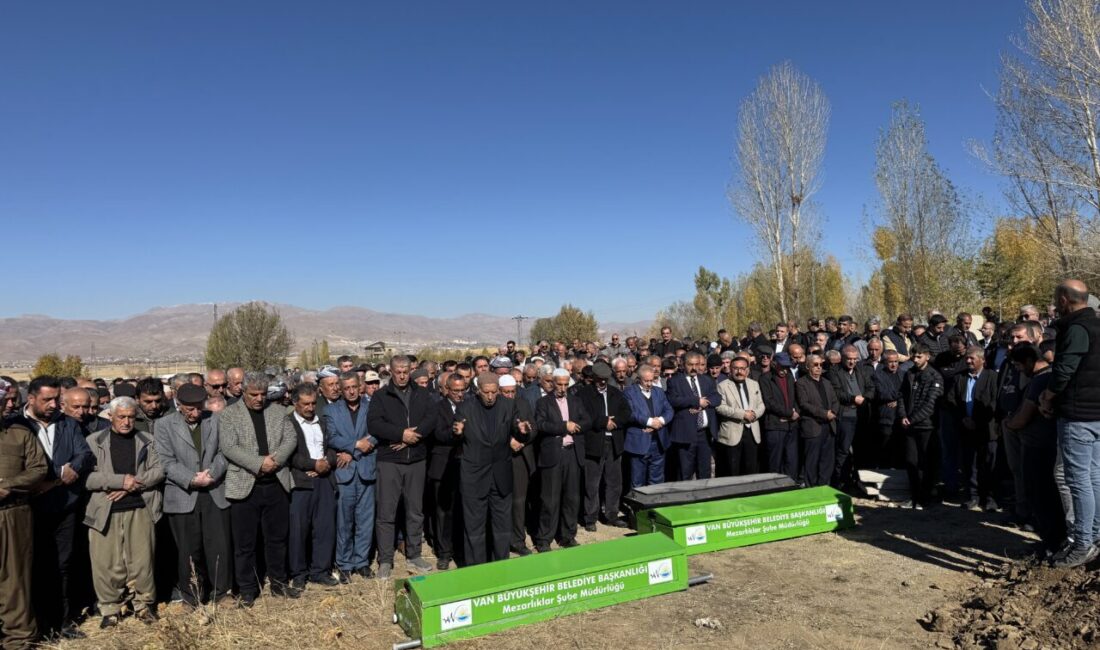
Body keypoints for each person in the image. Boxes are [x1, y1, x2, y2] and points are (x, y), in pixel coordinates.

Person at [15, 376, 93, 640]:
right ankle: (37, 623)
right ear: (31, 398)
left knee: (63, 564)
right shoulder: (17, 425)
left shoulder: (68, 424)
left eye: (55, 399)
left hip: (64, 506)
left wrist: (61, 478)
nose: (52, 405)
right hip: (29, 507)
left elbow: (83, 454)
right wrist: (57, 475)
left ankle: (63, 621)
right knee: (33, 565)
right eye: (46, 400)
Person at [218, 372, 299, 605]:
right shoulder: (229, 415)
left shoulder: (277, 411)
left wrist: (276, 461)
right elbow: (229, 447)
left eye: (263, 394)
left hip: (276, 484)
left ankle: (279, 584)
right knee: (245, 544)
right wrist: (259, 463)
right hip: (245, 486)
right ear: (243, 392)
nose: (259, 399)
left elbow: (290, 438)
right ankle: (247, 590)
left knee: (277, 539)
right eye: (254, 394)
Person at [84, 397, 164, 628]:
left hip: (140, 507)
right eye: (122, 417)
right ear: (110, 416)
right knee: (106, 562)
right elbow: (86, 478)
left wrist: (133, 484)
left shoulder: (147, 440)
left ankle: (143, 605)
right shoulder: (94, 441)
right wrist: (119, 481)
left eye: (131, 417)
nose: (127, 422)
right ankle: (110, 608)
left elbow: (159, 470)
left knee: (142, 561)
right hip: (104, 510)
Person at [154, 383, 232, 607]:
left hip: (213, 491)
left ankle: (221, 593)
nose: (196, 413)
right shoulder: (164, 425)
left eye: (199, 407)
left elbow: (223, 452)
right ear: (178, 405)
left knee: (218, 546)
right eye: (190, 409)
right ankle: (192, 596)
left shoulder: (215, 420)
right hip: (182, 494)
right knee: (188, 549)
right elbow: (165, 460)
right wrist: (190, 478)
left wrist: (212, 474)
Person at [1039, 280, 1100, 567]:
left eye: (1056, 299)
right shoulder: (1096, 325)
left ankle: (1083, 544)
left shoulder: (1076, 328)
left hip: (1078, 415)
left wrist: (1048, 397)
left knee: (1078, 481)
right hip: (1096, 414)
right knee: (1094, 477)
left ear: (1064, 299)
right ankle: (1095, 537)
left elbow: (1064, 370)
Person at [367, 355, 438, 579]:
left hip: (416, 459)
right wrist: (400, 434)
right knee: (386, 512)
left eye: (405, 371)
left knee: (415, 511)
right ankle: (386, 560)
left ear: (411, 370)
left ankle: (414, 554)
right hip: (390, 461)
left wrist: (411, 437)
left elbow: (431, 418)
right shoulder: (380, 396)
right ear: (390, 370)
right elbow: (375, 424)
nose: (401, 375)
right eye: (397, 371)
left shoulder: (423, 393)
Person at [449, 373, 531, 565]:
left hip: (501, 476)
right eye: (486, 392)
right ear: (478, 391)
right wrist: (457, 433)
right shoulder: (465, 407)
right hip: (474, 477)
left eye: (494, 392)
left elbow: (517, 428)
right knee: (474, 528)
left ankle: (500, 567)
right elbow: (454, 437)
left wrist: (522, 432)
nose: (490, 396)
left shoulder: (508, 406)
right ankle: (475, 570)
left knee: (502, 528)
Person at [1005, 344, 1066, 557]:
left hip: (1039, 446)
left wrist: (1010, 424)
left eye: (1020, 366)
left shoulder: (1040, 379)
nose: (1020, 370)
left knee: (1041, 496)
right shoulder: (1049, 376)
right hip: (1046, 445)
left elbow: (1024, 416)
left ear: (1030, 361)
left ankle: (1052, 542)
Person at [0, 389, 47, 650]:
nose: (8, 404)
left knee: (14, 579)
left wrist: (8, 486)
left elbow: (38, 468)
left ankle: (18, 639)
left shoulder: (20, 433)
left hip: (12, 514)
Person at [323, 372, 377, 581]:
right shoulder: (330, 411)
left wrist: (359, 447)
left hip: (366, 469)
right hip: (345, 472)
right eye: (346, 388)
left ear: (360, 385)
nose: (351, 391)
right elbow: (332, 437)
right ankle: (344, 563)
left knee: (365, 519)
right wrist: (355, 445)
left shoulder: (371, 406)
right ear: (341, 390)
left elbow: (377, 431)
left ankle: (361, 562)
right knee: (344, 520)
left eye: (354, 386)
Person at [533, 368, 591, 552]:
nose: (562, 388)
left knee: (571, 498)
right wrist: (563, 426)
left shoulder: (576, 400)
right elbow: (540, 425)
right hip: (553, 455)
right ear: (552, 383)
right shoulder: (543, 402)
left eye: (566, 384)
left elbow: (587, 421)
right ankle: (544, 539)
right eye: (559, 384)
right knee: (549, 499)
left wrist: (576, 427)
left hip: (572, 454)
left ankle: (568, 536)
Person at [287, 383, 339, 588]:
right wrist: (312, 464)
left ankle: (320, 570)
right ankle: (299, 573)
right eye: (305, 404)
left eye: (313, 403)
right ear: (294, 403)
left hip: (324, 480)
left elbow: (333, 447)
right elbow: (289, 454)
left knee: (325, 527)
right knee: (299, 530)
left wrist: (327, 462)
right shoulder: (288, 423)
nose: (310, 408)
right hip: (301, 483)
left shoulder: (322, 422)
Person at [578, 362, 631, 529]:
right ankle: (590, 518)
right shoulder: (583, 394)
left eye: (605, 380)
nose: (602, 383)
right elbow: (583, 416)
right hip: (594, 443)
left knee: (614, 481)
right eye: (599, 379)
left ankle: (612, 514)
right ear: (593, 378)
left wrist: (613, 422)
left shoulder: (616, 393)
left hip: (614, 442)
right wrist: (603, 422)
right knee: (592, 483)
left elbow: (626, 413)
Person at [946, 347, 999, 512]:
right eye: (967, 359)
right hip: (966, 428)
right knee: (970, 464)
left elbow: (994, 402)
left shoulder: (992, 377)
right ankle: (973, 496)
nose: (968, 361)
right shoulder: (959, 378)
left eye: (972, 358)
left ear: (982, 360)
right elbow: (951, 400)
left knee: (989, 463)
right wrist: (964, 418)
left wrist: (978, 421)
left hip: (987, 429)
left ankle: (990, 498)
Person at [897, 344, 943, 510]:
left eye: (919, 357)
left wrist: (912, 419)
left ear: (927, 356)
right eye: (913, 356)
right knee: (911, 462)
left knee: (927, 463)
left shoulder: (934, 377)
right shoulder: (909, 374)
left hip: (926, 427)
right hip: (909, 426)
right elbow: (901, 395)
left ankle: (926, 497)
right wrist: (903, 416)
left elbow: (930, 404)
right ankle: (914, 496)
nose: (915, 360)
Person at [428, 374, 465, 568]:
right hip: (443, 465)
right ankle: (444, 552)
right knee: (443, 512)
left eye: (462, 390)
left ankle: (460, 548)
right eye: (455, 391)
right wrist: (455, 432)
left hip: (466, 465)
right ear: (446, 390)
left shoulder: (470, 405)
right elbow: (438, 434)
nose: (460, 394)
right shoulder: (436, 408)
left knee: (461, 510)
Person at [498, 374, 537, 555]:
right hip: (499, 459)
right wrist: (508, 442)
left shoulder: (523, 403)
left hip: (520, 458)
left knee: (519, 502)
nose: (510, 395)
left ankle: (518, 541)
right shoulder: (493, 406)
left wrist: (523, 440)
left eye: (513, 392)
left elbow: (533, 428)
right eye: (506, 392)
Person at [666, 351, 721, 481]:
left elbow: (717, 398)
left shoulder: (706, 380)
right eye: (690, 364)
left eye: (697, 364)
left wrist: (703, 404)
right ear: (682, 364)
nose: (694, 368)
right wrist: (696, 401)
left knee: (704, 471)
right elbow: (673, 400)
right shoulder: (674, 381)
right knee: (685, 472)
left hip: (704, 434)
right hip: (685, 434)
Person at [828, 345, 873, 494]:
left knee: (861, 451)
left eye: (855, 359)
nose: (852, 362)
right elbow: (837, 392)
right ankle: (840, 482)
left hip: (861, 415)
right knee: (843, 451)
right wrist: (853, 398)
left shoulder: (862, 370)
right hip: (845, 415)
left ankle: (859, 482)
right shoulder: (835, 371)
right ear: (843, 358)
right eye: (849, 359)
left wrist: (864, 398)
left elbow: (871, 388)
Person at [714, 357, 765, 477]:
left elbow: (761, 404)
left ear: (747, 370)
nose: (739, 371)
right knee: (732, 471)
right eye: (736, 368)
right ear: (730, 370)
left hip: (752, 432)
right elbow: (720, 407)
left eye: (742, 368)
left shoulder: (754, 384)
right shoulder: (722, 386)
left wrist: (755, 414)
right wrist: (743, 414)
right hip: (732, 433)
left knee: (751, 470)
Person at [623, 366, 673, 487]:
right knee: (637, 480)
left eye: (652, 380)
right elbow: (630, 413)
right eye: (646, 381)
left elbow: (669, 410)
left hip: (658, 442)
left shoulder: (659, 392)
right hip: (639, 442)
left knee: (657, 479)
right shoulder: (629, 392)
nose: (649, 384)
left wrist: (660, 421)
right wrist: (649, 422)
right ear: (639, 379)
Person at [796, 354, 839, 487]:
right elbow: (804, 404)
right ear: (808, 366)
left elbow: (835, 400)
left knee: (827, 460)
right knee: (812, 460)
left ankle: (824, 486)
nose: (819, 367)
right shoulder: (801, 383)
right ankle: (811, 488)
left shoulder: (826, 382)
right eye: (815, 365)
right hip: (813, 426)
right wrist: (824, 414)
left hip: (829, 426)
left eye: (821, 365)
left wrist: (833, 412)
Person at [759, 353, 800, 480]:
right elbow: (769, 402)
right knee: (774, 462)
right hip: (775, 425)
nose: (784, 370)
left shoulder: (789, 377)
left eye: (786, 367)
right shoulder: (765, 378)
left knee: (791, 460)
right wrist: (788, 413)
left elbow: (796, 397)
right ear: (774, 364)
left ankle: (790, 487)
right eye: (781, 367)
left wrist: (795, 413)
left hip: (791, 426)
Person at [871, 351, 904, 469]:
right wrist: (900, 397)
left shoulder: (903, 374)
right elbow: (882, 394)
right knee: (885, 447)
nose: (894, 364)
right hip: (886, 417)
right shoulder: (877, 375)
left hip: (900, 417)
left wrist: (898, 401)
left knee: (899, 447)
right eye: (890, 362)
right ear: (884, 362)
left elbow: (908, 393)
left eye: (896, 361)